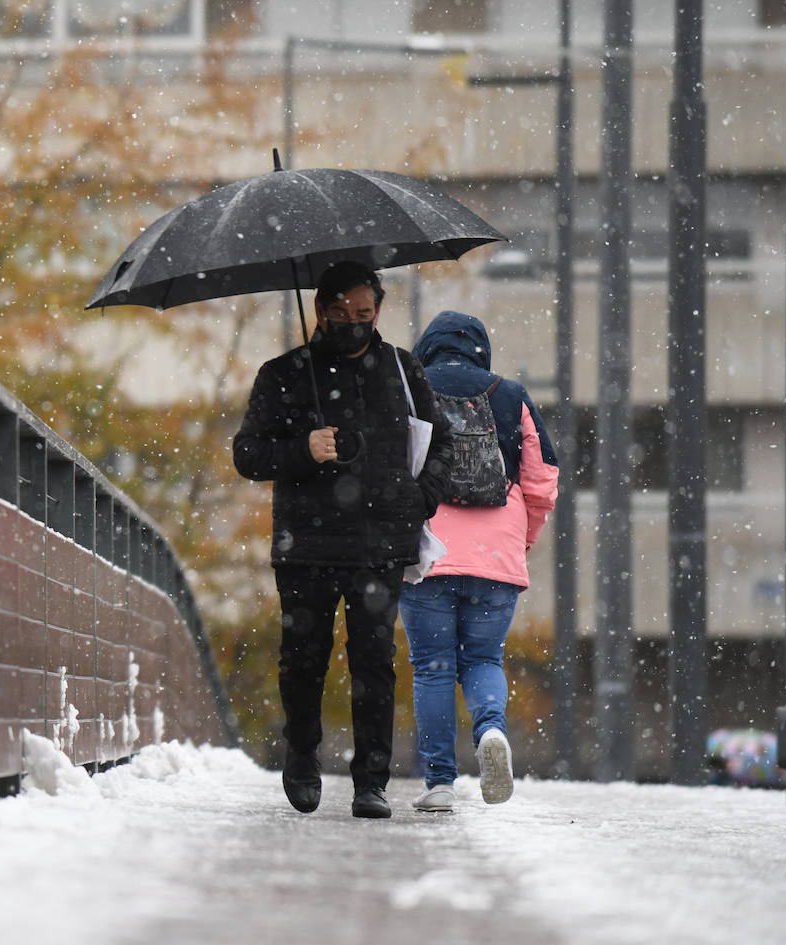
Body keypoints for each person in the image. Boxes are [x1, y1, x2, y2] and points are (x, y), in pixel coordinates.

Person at [233, 261, 453, 819]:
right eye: (339, 314)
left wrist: (418, 498)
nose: (353, 323)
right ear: (320, 312)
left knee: (374, 660)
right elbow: (248, 454)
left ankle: (371, 780)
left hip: (381, 543)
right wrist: (301, 449)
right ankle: (302, 753)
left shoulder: (404, 372)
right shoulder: (284, 374)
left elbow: (444, 447)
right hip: (306, 543)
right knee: (303, 659)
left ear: (379, 310)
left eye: (363, 313)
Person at [398, 310, 559, 813]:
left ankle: (440, 782)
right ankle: (491, 731)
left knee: (433, 669)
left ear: (427, 348)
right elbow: (542, 480)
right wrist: (520, 540)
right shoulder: (510, 395)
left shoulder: (409, 391)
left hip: (428, 550)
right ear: (479, 350)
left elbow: (390, 466)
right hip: (496, 555)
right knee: (484, 660)